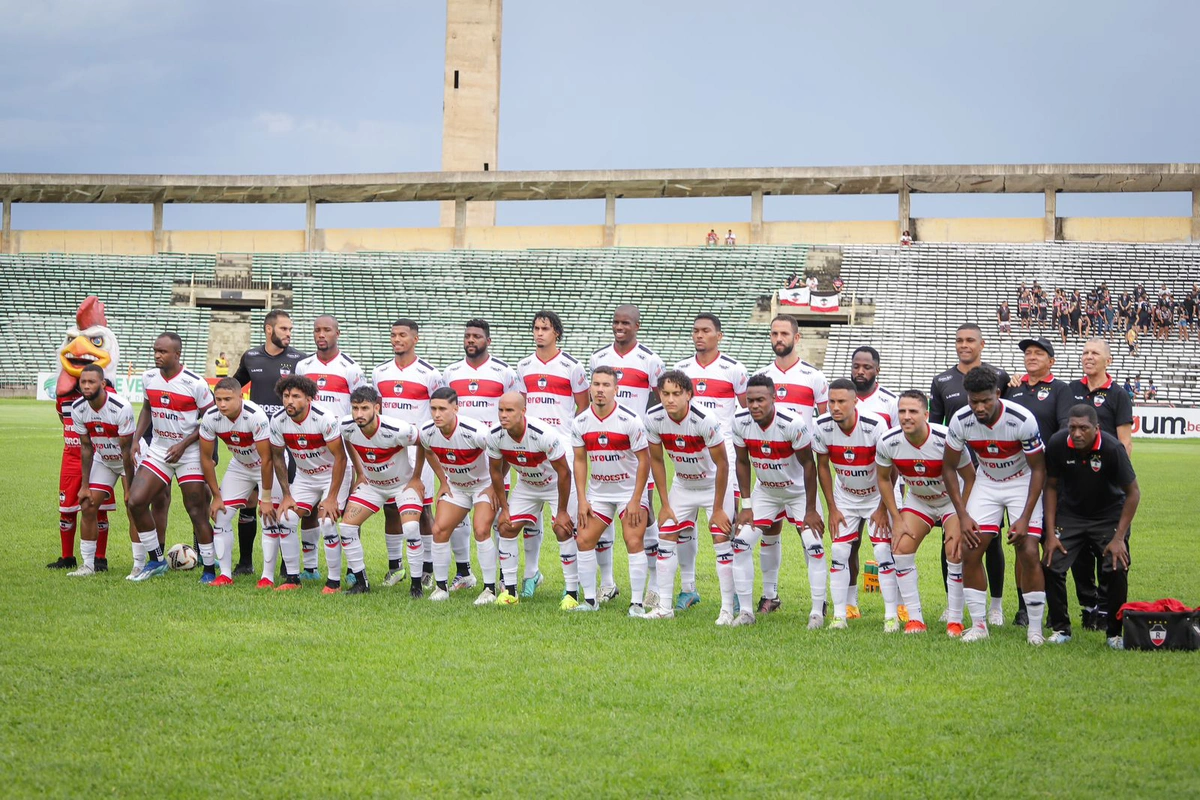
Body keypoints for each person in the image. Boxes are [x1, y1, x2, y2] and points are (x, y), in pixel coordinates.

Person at [942, 366, 1047, 645]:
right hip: (986, 481)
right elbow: (949, 468)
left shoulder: (1021, 419)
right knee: (971, 549)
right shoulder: (961, 420)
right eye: (973, 400)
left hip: (1021, 482)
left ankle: (1035, 629)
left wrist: (1024, 517)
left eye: (985, 400)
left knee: (1027, 551)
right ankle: (979, 626)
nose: (979, 407)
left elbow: (1039, 470)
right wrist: (962, 515)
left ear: (997, 394)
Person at [874, 390, 975, 635]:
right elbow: (883, 479)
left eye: (913, 411)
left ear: (926, 414)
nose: (906, 417)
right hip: (919, 501)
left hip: (952, 501)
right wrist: (896, 518)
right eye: (902, 411)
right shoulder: (888, 441)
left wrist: (963, 516)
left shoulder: (946, 438)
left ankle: (955, 619)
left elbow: (970, 478)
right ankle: (915, 619)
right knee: (901, 548)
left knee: (954, 551)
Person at [929, 323, 1010, 625]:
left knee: (993, 540)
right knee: (951, 537)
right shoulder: (942, 380)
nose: (964, 345)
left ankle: (997, 606)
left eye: (970, 340)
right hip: (957, 472)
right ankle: (953, 605)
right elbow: (935, 429)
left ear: (982, 344)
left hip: (991, 470)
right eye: (959, 340)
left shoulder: (999, 377)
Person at [1042, 404, 1139, 648]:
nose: (1076, 433)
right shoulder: (1056, 444)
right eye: (1072, 427)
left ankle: (1114, 634)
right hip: (1071, 515)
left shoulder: (1112, 448)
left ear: (1096, 428)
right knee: (1052, 563)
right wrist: (1051, 533)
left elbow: (1133, 493)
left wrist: (1118, 539)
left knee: (1116, 567)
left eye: (1083, 428)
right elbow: (1051, 487)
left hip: (1108, 516)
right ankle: (1060, 628)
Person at [731, 374, 824, 627]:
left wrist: (811, 510)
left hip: (798, 492)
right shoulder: (740, 422)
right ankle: (746, 612)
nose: (754, 406)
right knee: (740, 544)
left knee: (813, 546)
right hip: (766, 492)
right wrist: (746, 505)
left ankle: (817, 611)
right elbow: (741, 462)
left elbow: (808, 465)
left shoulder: (792, 423)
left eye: (760, 399)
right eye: (750, 400)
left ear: (774, 397)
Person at [590, 304, 666, 603]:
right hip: (602, 448)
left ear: (637, 325)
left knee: (643, 518)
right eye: (615, 322)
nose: (619, 327)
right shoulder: (598, 358)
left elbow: (659, 402)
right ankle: (607, 583)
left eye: (625, 323)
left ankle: (656, 587)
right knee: (601, 513)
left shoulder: (651, 360)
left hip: (635, 450)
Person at [644, 370, 735, 623]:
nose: (670, 399)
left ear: (689, 395)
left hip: (713, 485)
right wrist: (664, 503)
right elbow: (657, 460)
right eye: (665, 394)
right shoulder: (653, 418)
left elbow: (723, 465)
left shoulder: (705, 419)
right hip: (683, 485)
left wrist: (717, 509)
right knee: (666, 537)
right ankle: (664, 607)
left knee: (721, 540)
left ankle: (727, 610)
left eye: (676, 394)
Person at [126, 332, 216, 582]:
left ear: (177, 354)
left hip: (189, 454)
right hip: (159, 450)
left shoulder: (195, 383)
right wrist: (136, 439)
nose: (157, 355)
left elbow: (211, 421)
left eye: (163, 352)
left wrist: (184, 443)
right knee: (135, 501)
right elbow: (147, 409)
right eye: (155, 350)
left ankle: (209, 568)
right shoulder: (148, 378)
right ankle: (155, 560)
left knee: (196, 509)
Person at [673, 313, 748, 610]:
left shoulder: (734, 369)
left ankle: (738, 594)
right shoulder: (681, 369)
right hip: (688, 453)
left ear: (720, 335)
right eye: (695, 331)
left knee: (726, 525)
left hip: (722, 452)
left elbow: (744, 413)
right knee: (682, 523)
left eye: (706, 331)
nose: (699, 335)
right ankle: (688, 588)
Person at [1061, 338, 1134, 631]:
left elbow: (1125, 441)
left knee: (1110, 548)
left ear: (1109, 360)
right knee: (1077, 552)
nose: (1088, 357)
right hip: (1075, 484)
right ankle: (1088, 606)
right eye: (1085, 353)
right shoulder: (1070, 390)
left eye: (1094, 353)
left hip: (1107, 486)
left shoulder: (1118, 395)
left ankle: (1106, 609)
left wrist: (1117, 477)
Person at [811, 379, 893, 631]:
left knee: (883, 553)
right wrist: (832, 508)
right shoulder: (821, 425)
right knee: (839, 553)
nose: (835, 407)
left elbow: (892, 467)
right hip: (845, 496)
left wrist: (882, 508)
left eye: (841, 402)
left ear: (855, 401)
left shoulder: (875, 425)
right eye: (831, 402)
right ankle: (839, 616)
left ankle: (891, 616)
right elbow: (822, 466)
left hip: (877, 495)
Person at [517, 310, 589, 594]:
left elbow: (583, 409)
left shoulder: (572, 366)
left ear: (556, 332)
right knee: (528, 516)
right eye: (535, 328)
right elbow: (521, 406)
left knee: (566, 521)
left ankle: (572, 584)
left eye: (544, 328)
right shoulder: (523, 366)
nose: (539, 333)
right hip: (531, 448)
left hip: (562, 448)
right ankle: (532, 574)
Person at [372, 318, 446, 589]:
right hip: (389, 451)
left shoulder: (430, 374)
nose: (396, 339)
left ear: (415, 339)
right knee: (390, 509)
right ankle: (396, 567)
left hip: (418, 451)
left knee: (423, 510)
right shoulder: (380, 372)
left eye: (402, 335)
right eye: (393, 335)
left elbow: (438, 411)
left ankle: (427, 568)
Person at [231, 308, 306, 576]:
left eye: (290, 329)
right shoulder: (251, 357)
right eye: (284, 328)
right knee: (250, 500)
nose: (289, 334)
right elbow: (234, 386)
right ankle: (245, 562)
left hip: (289, 443)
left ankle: (288, 565)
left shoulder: (300, 360)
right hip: (256, 441)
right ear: (269, 329)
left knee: (286, 501)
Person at [571, 368, 651, 614]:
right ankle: (590, 601)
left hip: (629, 492)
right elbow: (580, 460)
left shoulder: (630, 420)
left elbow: (645, 460)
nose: (600, 390)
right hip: (599, 493)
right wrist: (583, 498)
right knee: (583, 539)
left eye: (606, 385)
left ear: (616, 390)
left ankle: (636, 604)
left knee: (633, 540)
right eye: (596, 384)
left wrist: (637, 499)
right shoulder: (581, 421)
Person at [1004, 336, 1070, 625]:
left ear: (1051, 361)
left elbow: (1066, 428)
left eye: (1038, 353)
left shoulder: (1061, 389)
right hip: (1017, 477)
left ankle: (1054, 607)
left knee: (1051, 541)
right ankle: (1023, 607)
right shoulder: (1012, 389)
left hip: (1051, 477)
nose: (1031, 356)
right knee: (1024, 543)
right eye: (1028, 353)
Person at [488, 392, 576, 606]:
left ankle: (572, 592)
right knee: (505, 526)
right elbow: (496, 471)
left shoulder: (543, 434)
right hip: (528, 484)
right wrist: (505, 507)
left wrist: (562, 512)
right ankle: (510, 592)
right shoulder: (495, 435)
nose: (503, 415)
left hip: (557, 483)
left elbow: (564, 473)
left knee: (563, 529)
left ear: (523, 412)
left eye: (509, 410)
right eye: (501, 410)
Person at [295, 314, 366, 583]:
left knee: (345, 511)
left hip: (341, 448)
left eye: (326, 330)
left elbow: (361, 409)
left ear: (338, 333)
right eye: (316, 330)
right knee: (310, 509)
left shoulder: (351, 368)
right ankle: (311, 568)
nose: (321, 334)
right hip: (310, 450)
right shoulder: (303, 366)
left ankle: (352, 569)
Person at [411, 387, 497, 603]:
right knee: (438, 529)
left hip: (482, 485)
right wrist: (443, 479)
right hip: (456, 487)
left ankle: (490, 589)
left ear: (456, 408)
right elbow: (427, 449)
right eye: (433, 409)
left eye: (442, 409)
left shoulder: (474, 431)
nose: (436, 414)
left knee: (481, 529)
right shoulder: (428, 431)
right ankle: (441, 588)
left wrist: (495, 485)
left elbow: (499, 453)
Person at [339, 386, 423, 597]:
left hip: (403, 485)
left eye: (365, 408)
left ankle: (416, 586)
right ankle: (361, 583)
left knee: (412, 528)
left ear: (377, 408)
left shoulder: (398, 429)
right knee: (347, 528)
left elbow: (424, 443)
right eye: (355, 408)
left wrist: (416, 477)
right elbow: (348, 441)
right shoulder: (346, 427)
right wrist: (360, 472)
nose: (359, 414)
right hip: (373, 486)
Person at [269, 374, 349, 593]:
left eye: (296, 396)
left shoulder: (324, 418)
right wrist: (287, 495)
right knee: (286, 519)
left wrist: (331, 498)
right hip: (305, 477)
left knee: (327, 521)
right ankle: (293, 579)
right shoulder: (278, 420)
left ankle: (334, 582)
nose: (289, 401)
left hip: (333, 474)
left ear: (309, 399)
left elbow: (341, 458)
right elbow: (278, 458)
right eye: (286, 396)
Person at [198, 378, 275, 587]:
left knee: (269, 519)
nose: (222, 404)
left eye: (228, 399)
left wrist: (265, 498)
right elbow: (206, 458)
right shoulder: (211, 417)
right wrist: (216, 496)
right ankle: (224, 575)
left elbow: (267, 459)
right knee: (221, 516)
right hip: (240, 466)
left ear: (241, 397)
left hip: (266, 467)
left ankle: (267, 577)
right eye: (218, 399)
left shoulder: (255, 416)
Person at [67, 364, 136, 578]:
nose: (86, 386)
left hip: (129, 461)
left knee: (133, 507)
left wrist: (130, 488)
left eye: (91, 382)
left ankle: (139, 565)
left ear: (103, 384)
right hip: (104, 460)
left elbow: (126, 452)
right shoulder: (78, 407)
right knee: (87, 504)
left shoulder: (120, 407)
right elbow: (86, 447)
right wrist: (85, 486)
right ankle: (88, 566)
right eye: (83, 382)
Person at [847, 345, 898, 618]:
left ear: (877, 369)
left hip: (884, 487)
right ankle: (851, 603)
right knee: (849, 544)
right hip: (850, 487)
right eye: (856, 366)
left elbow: (896, 450)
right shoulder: (843, 399)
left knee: (890, 546)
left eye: (867, 367)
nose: (860, 371)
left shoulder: (889, 402)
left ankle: (899, 604)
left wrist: (886, 498)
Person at [757, 315, 828, 428]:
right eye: (775, 334)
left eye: (784, 334)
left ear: (796, 338)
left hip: (802, 445)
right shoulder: (759, 376)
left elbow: (826, 422)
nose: (779, 339)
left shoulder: (815, 376)